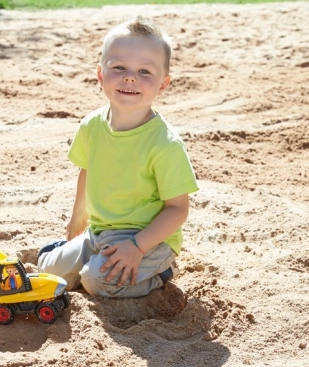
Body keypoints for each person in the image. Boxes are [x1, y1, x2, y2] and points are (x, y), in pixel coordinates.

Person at [38, 16, 199, 298]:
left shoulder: (164, 144)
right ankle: (76, 257)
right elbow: (87, 171)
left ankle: (161, 273)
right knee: (48, 271)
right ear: (101, 74)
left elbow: (178, 209)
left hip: (149, 239)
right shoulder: (91, 125)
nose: (130, 77)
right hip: (100, 231)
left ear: (163, 84)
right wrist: (78, 217)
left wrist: (137, 247)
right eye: (119, 67)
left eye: (145, 72)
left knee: (96, 282)